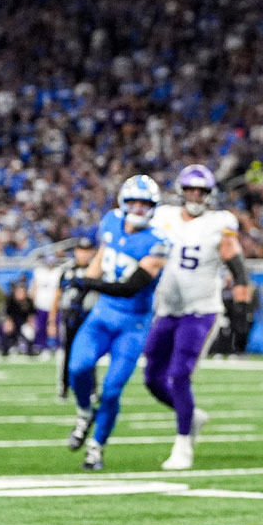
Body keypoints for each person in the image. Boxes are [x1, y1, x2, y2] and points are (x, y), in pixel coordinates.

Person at [141, 165, 248, 470]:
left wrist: (241, 311)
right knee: (151, 377)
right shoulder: (162, 216)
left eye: (200, 191)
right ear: (181, 191)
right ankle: (192, 416)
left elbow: (237, 268)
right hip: (168, 309)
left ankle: (183, 444)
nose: (195, 196)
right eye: (190, 190)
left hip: (202, 310)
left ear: (209, 194)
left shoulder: (219, 223)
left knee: (179, 375)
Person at [66, 175, 169, 471]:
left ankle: (96, 447)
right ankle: (84, 411)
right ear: (123, 203)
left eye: (145, 203)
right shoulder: (110, 221)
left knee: (111, 389)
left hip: (132, 325)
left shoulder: (159, 242)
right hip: (102, 316)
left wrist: (85, 283)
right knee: (78, 367)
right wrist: (84, 282)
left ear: (154, 207)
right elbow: (102, 256)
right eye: (133, 202)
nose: (138, 208)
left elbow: (129, 287)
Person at [53, 237, 98, 400]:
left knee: (90, 353)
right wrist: (52, 319)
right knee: (68, 352)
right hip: (70, 316)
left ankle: (92, 388)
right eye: (81, 250)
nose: (84, 254)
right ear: (76, 251)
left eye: (87, 251)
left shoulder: (96, 270)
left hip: (89, 316)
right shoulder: (67, 271)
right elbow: (58, 295)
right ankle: (64, 387)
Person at [29, 254, 63, 356]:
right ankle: (42, 347)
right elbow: (34, 287)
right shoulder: (39, 272)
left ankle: (57, 346)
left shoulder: (59, 272)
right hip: (41, 305)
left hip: (55, 305)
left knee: (55, 326)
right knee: (41, 327)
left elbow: (59, 290)